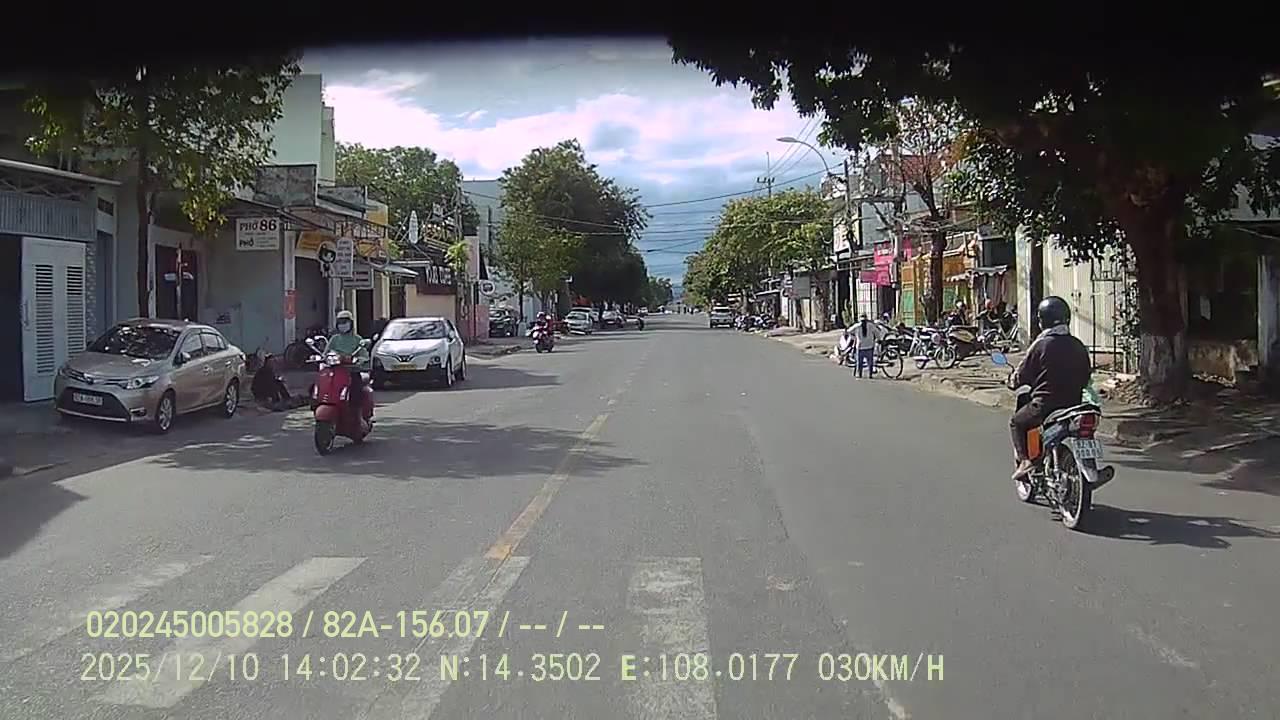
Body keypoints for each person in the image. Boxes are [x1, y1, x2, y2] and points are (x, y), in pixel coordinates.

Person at [1008, 296, 1093, 480]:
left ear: (1042, 320)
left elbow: (1022, 374)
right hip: (1075, 405)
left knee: (1017, 422)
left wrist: (1012, 381)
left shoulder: (1040, 344)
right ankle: (1089, 466)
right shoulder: (1078, 345)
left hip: (1045, 405)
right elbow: (1086, 376)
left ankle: (1026, 461)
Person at [326, 310, 370, 411]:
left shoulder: (357, 339)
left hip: (351, 371)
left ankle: (356, 412)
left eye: (345, 322)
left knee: (356, 390)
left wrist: (358, 360)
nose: (342, 325)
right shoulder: (334, 339)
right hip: (335, 371)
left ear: (351, 323)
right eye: (340, 322)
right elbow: (326, 353)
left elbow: (364, 355)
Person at [850, 313, 885, 379]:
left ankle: (859, 374)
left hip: (860, 347)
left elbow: (848, 331)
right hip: (869, 346)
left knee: (859, 362)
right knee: (870, 362)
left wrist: (854, 337)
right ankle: (870, 374)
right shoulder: (871, 325)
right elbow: (877, 333)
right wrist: (879, 339)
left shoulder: (857, 326)